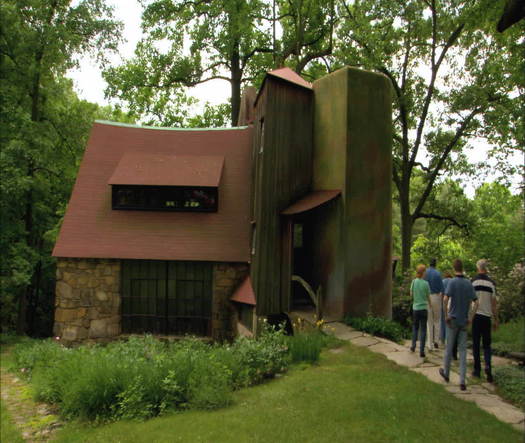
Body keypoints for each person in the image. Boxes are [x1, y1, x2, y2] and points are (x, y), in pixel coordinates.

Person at [439, 259, 478, 391]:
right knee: (462, 351)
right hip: (464, 321)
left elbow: (445, 299)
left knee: (449, 348)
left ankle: (446, 373)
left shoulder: (452, 282)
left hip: (453, 320)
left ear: (454, 268)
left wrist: (445, 315)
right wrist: (471, 317)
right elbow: (476, 302)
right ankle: (462, 381)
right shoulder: (468, 283)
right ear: (462, 268)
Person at [471, 259, 498, 382]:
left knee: (476, 344)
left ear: (478, 268)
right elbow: (494, 304)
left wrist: (469, 317)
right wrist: (495, 319)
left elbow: (470, 300)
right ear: (486, 268)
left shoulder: (473, 282)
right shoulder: (491, 283)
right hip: (487, 317)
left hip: (476, 316)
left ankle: (477, 370)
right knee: (487, 344)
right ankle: (488, 366)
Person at [410, 264, 431, 358]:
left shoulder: (414, 282)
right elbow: (428, 296)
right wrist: (430, 305)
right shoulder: (426, 283)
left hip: (415, 308)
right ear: (423, 272)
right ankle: (422, 351)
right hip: (423, 309)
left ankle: (413, 346)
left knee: (415, 327)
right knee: (423, 330)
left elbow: (411, 294)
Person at [424, 258, 444, 350]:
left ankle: (429, 344)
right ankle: (436, 341)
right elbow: (442, 289)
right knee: (437, 320)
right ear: (435, 264)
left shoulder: (425, 273)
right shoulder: (438, 273)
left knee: (429, 321)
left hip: (427, 297)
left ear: (429, 264)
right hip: (436, 297)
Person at [441, 271, 457, 359]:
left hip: (446, 303)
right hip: (453, 305)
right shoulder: (453, 281)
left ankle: (443, 339)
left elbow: (442, 294)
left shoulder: (443, 281)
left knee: (443, 321)